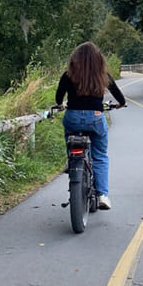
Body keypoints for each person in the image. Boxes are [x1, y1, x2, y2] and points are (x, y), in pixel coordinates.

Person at [55, 42, 126, 210]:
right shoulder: (103, 75)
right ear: (98, 60)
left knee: (70, 137)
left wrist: (62, 104)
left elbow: (58, 97)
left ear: (75, 59)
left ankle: (72, 160)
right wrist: (120, 104)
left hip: (72, 116)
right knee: (100, 155)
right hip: (95, 118)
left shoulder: (68, 75)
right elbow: (119, 97)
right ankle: (102, 195)